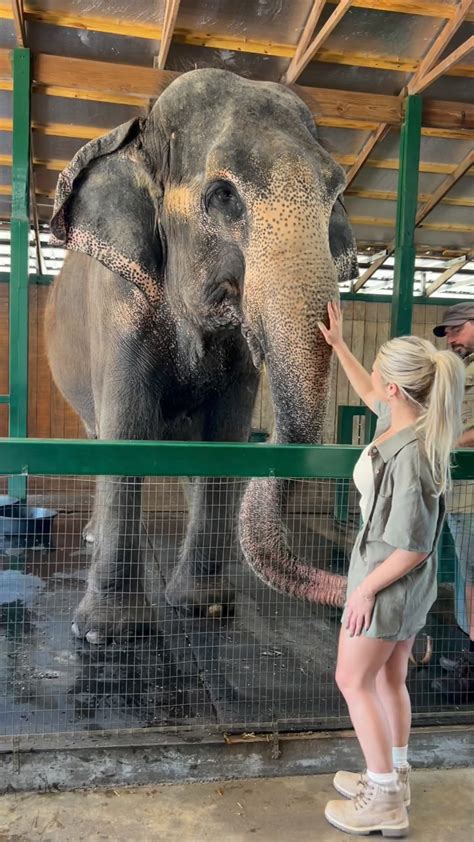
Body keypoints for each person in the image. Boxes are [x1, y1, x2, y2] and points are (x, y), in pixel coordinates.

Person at [318, 301, 465, 838]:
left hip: (388, 580)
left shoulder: (411, 456)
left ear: (396, 391)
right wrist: (339, 348)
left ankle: (381, 798)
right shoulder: (409, 424)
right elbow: (368, 390)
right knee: (388, 676)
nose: (373, 379)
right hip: (400, 586)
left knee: (351, 679)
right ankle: (394, 773)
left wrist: (365, 592)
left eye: (380, 372)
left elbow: (415, 545)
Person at [430, 302, 474, 702]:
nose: (452, 339)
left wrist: (437, 445)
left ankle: (471, 671)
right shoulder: (464, 368)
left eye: (456, 330)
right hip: (462, 495)